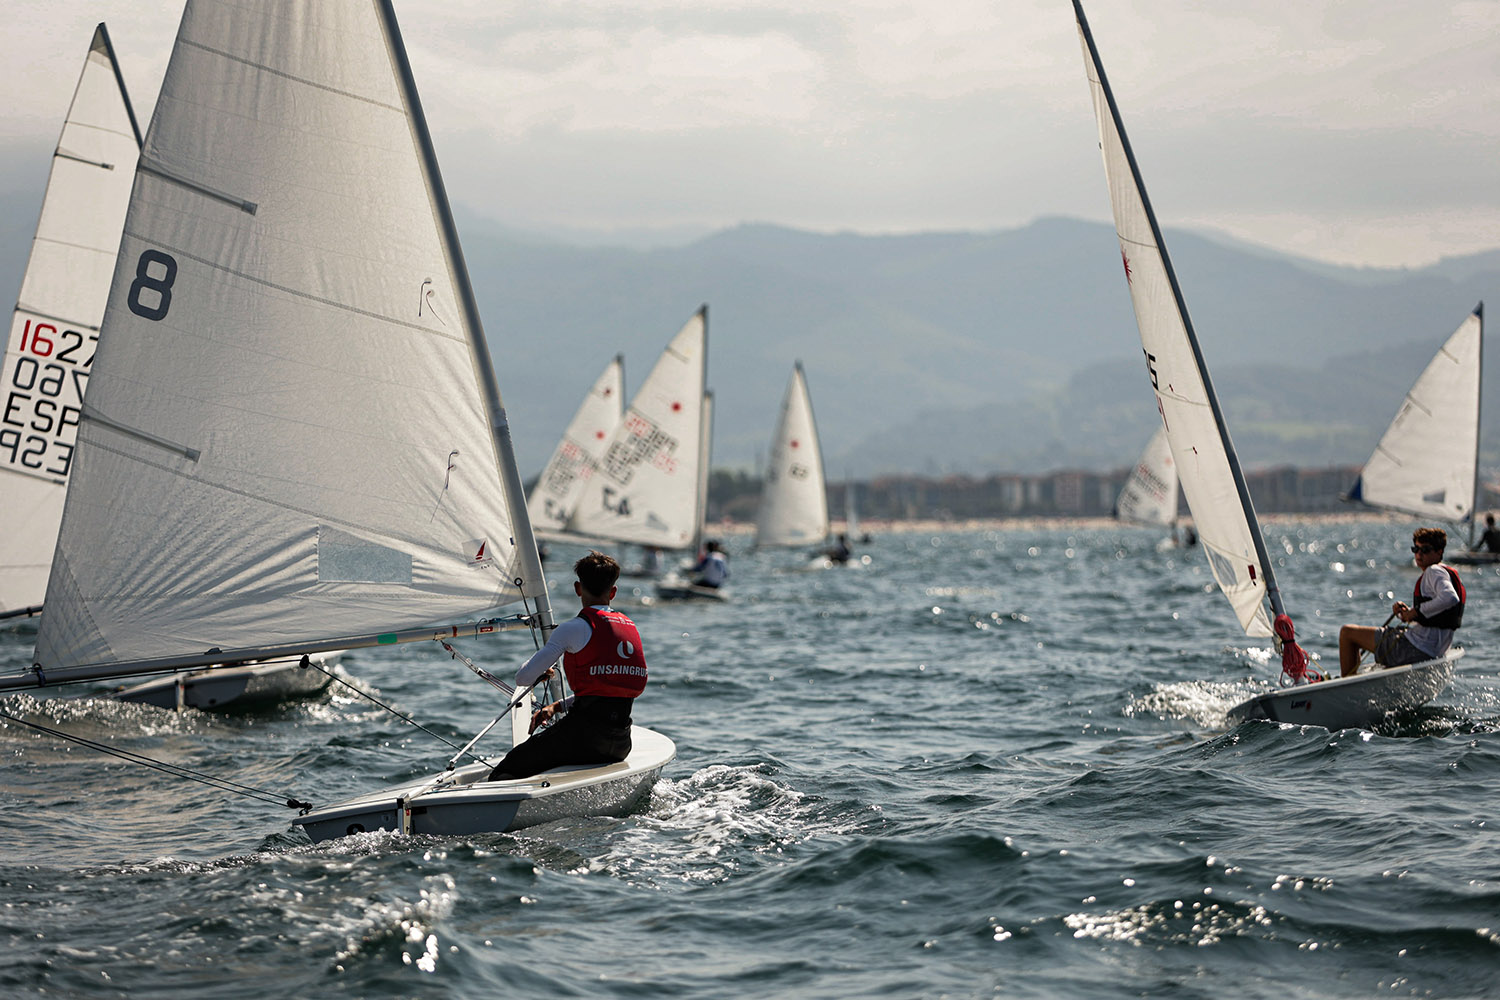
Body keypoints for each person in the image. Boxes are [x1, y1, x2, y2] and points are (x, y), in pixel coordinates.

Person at [487, 551, 647, 780]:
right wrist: (557, 707)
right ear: (613, 592)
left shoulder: (573, 628)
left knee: (506, 769)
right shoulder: (629, 627)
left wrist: (540, 671)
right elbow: (607, 693)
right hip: (621, 743)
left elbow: (523, 678)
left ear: (577, 588)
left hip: (582, 740)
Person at [1337, 527, 1465, 678]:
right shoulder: (1445, 572)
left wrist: (1416, 612)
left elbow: (1450, 597)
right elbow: (1437, 611)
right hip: (1433, 650)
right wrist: (1410, 612)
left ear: (1439, 552)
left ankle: (1347, 687)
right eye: (1416, 549)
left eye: (1425, 550)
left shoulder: (1434, 571)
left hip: (1413, 650)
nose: (1419, 554)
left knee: (1347, 633)